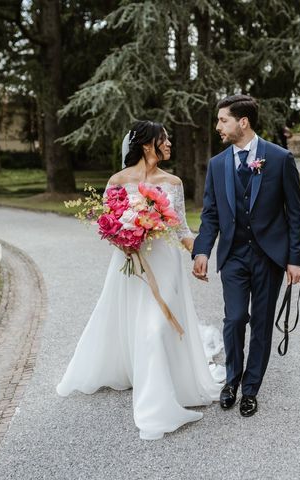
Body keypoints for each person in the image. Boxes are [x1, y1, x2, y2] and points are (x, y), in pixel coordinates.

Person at [56, 120, 224, 440]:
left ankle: (154, 409)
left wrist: (201, 255)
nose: (170, 144)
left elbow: (182, 229)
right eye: (165, 139)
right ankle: (151, 390)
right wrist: (126, 238)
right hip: (131, 265)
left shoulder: (172, 182)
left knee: (155, 328)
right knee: (138, 325)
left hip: (165, 264)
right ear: (148, 145)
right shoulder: (117, 181)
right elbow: (107, 224)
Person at [192, 95, 300, 417]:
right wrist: (202, 250)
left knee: (262, 324)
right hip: (234, 256)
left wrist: (295, 258)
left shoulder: (280, 158)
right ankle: (231, 381)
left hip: (269, 257)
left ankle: (250, 389)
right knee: (235, 318)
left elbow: (295, 214)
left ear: (243, 122)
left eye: (223, 120)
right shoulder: (217, 165)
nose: (218, 126)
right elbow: (210, 213)